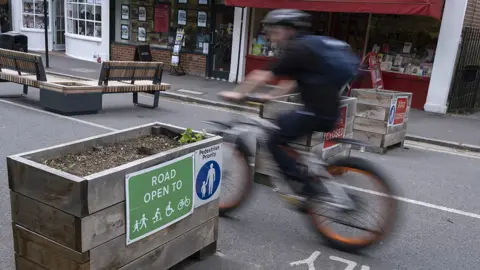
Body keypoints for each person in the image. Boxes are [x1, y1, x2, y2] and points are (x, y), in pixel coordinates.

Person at [219, 9, 360, 203]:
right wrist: (269, 97)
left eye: (274, 32)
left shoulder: (296, 49)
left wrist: (237, 92)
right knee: (282, 125)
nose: (271, 37)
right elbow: (291, 82)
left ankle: (302, 184)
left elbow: (263, 75)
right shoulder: (308, 47)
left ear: (288, 30)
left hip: (316, 111)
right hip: (325, 109)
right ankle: (304, 177)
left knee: (273, 139)